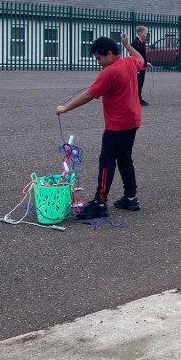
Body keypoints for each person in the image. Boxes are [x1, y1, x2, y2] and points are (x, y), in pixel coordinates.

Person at [56, 34, 145, 218]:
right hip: (133, 121)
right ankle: (130, 198)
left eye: (99, 58)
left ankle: (100, 202)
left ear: (110, 53)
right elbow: (141, 60)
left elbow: (89, 95)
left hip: (117, 125)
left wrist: (65, 108)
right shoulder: (129, 62)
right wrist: (127, 45)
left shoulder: (109, 71)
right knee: (125, 158)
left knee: (107, 162)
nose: (98, 62)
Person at [132, 26, 150, 106]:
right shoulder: (136, 42)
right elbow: (133, 54)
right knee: (137, 83)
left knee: (141, 83)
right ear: (140, 32)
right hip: (137, 67)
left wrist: (146, 63)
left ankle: (139, 98)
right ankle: (137, 100)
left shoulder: (142, 42)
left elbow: (142, 54)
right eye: (145, 33)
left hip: (142, 66)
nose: (146, 35)